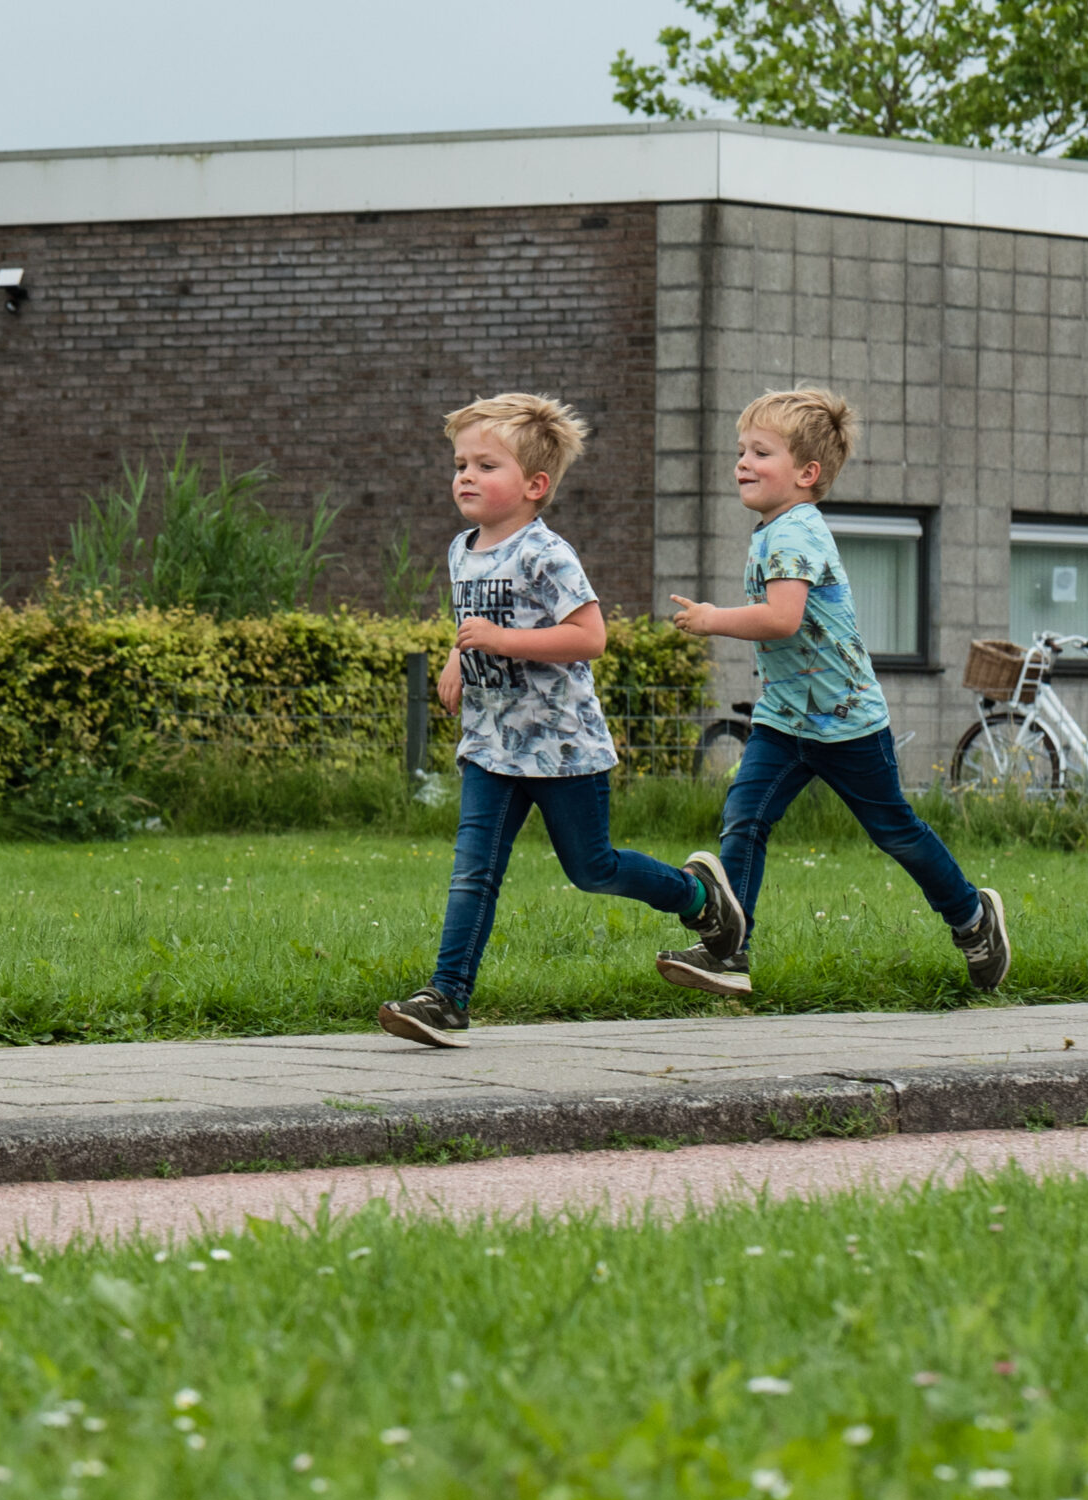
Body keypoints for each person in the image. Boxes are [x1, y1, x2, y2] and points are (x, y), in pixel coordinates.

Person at [376, 393, 745, 1047]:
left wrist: (499, 641)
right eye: (460, 463)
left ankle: (695, 897)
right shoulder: (463, 551)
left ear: (534, 485)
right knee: (474, 870)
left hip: (561, 747)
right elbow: (481, 629)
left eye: (485, 465)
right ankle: (447, 996)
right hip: (491, 747)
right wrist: (460, 658)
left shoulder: (549, 554)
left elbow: (589, 637)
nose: (465, 475)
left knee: (592, 867)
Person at [659, 388, 1010, 996]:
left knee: (894, 831)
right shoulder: (771, 530)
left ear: (806, 473)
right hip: (784, 719)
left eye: (760, 452)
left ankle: (973, 919)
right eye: (741, 450)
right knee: (745, 819)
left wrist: (716, 618)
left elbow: (782, 618)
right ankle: (729, 953)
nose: (742, 461)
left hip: (846, 721)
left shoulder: (795, 532)